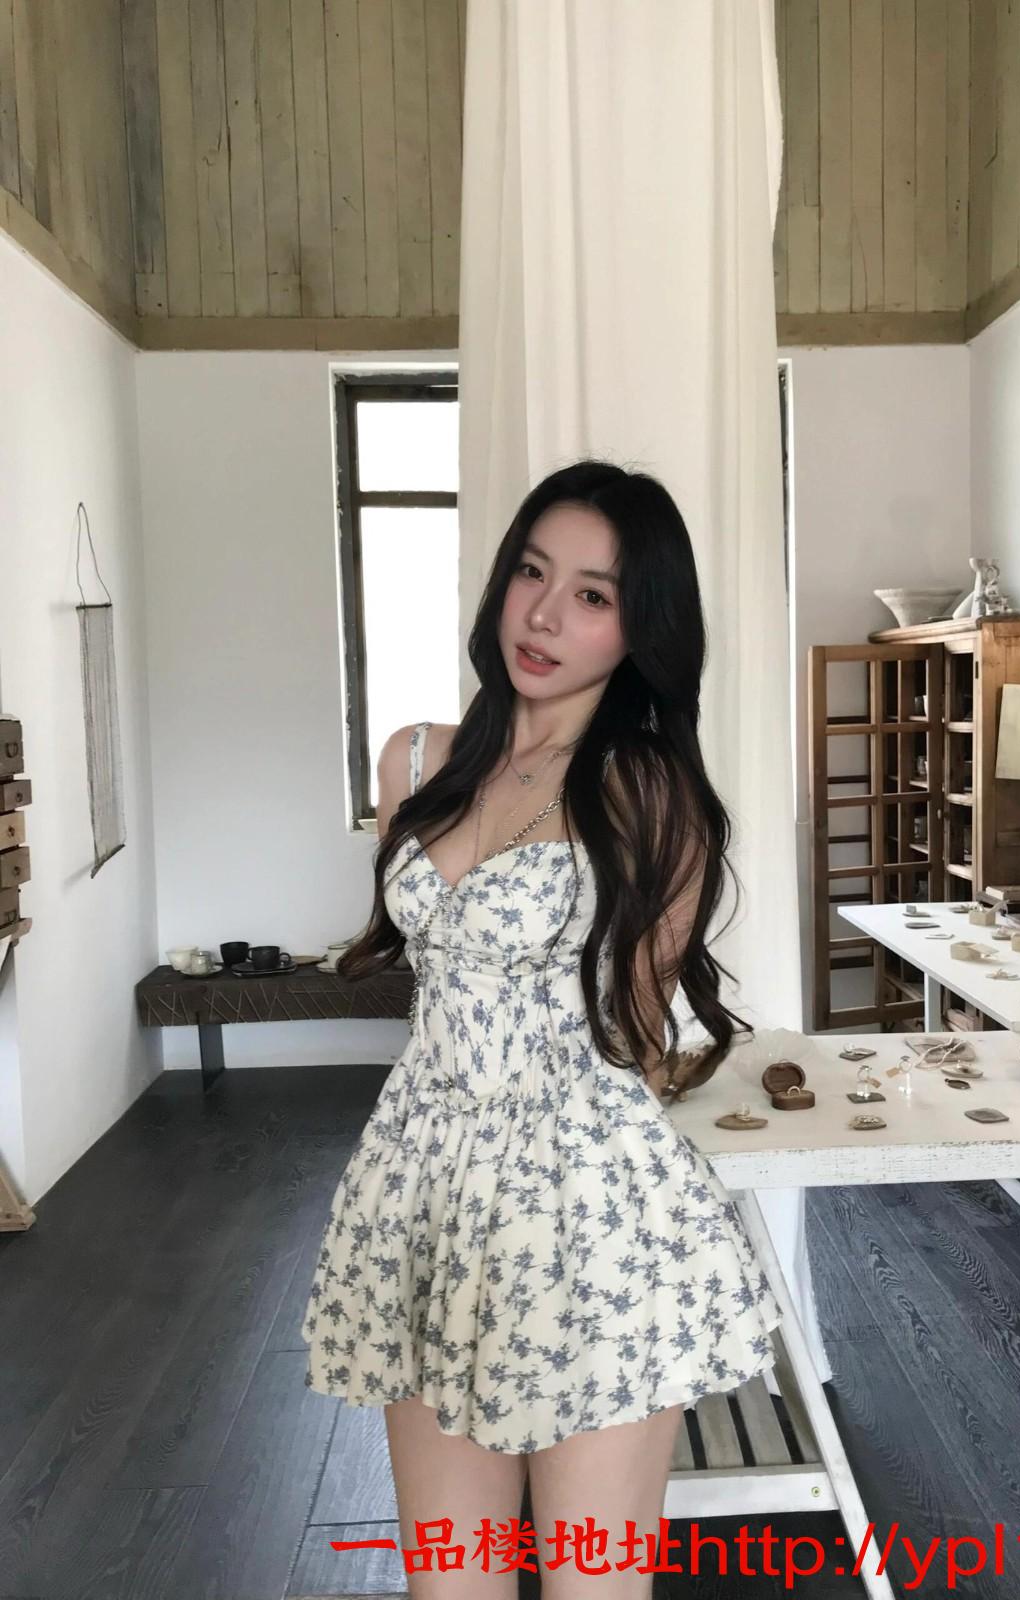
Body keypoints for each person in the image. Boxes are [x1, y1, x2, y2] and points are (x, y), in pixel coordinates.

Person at [302, 459, 782, 1596]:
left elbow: (637, 1030)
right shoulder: (414, 760)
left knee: (590, 1584)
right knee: (450, 1581)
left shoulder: (646, 792)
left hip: (582, 1214)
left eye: (593, 594)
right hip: (422, 1190)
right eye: (532, 572)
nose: (546, 613)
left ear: (640, 627)